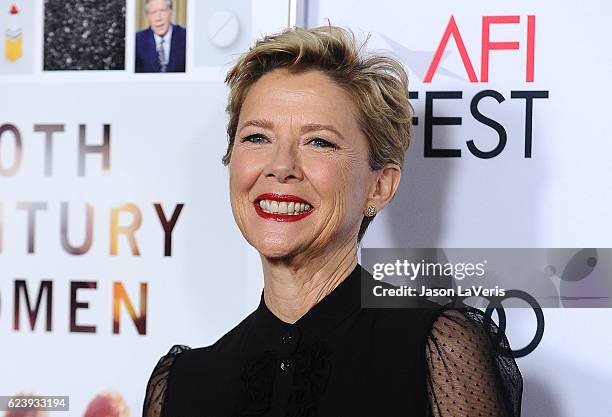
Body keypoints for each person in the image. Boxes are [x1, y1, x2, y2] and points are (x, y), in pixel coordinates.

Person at [142, 25, 523, 417]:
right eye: (257, 137)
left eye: (319, 141)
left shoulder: (437, 348)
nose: (281, 167)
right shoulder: (182, 384)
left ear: (380, 186)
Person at [135, 0, 186, 73]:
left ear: (171, 12)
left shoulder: (186, 37)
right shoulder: (137, 41)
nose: (158, 18)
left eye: (162, 11)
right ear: (147, 16)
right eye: (153, 12)